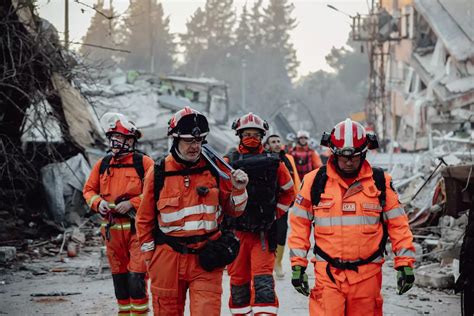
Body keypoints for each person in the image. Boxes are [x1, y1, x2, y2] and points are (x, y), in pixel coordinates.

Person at [288, 118, 416, 315]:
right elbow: (299, 225)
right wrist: (298, 265)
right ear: (333, 152)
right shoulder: (315, 182)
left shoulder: (380, 182)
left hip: (367, 277)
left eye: (354, 157)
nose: (348, 162)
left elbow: (398, 225)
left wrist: (405, 263)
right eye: (343, 157)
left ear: (364, 153)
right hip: (328, 275)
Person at [135, 107, 249, 316]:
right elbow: (144, 219)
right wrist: (151, 258)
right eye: (189, 141)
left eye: (199, 141)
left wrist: (239, 190)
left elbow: (234, 211)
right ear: (175, 140)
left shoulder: (216, 170)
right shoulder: (158, 172)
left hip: (207, 257)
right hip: (167, 259)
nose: (195, 146)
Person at [226, 113, 296, 315]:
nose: (251, 138)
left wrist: (275, 214)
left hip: (263, 234)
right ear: (239, 135)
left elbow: (289, 191)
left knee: (263, 279)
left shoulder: (275, 163)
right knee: (238, 280)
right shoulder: (229, 161)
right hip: (237, 233)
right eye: (247, 134)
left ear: (262, 136)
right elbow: (220, 192)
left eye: (256, 134)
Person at [83, 113, 153, 315]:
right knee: (120, 281)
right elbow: (88, 190)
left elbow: (155, 194)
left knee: (136, 278)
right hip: (112, 233)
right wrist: (98, 203)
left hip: (137, 232)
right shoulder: (103, 164)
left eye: (119, 137)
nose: (114, 141)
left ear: (130, 140)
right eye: (112, 136)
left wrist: (132, 203)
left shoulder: (144, 164)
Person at [265, 134, 301, 278]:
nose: (276, 144)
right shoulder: (263, 158)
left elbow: (295, 178)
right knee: (267, 231)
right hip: (266, 202)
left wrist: (297, 196)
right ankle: (268, 261)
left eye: (278, 141)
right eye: (273, 141)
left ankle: (278, 262)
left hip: (283, 202)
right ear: (267, 145)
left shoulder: (288, 158)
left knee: (282, 231)